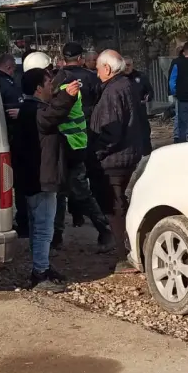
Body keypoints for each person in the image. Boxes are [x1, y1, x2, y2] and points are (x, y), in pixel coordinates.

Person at [14, 68, 79, 291]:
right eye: (49, 83)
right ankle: (40, 273)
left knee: (37, 226)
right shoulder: (35, 110)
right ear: (39, 88)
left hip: (35, 177)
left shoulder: (28, 109)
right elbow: (53, 115)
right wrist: (68, 96)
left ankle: (41, 266)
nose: (53, 87)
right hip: (41, 178)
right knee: (43, 228)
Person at [51, 41, 112, 250]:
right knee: (81, 189)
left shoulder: (55, 79)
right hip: (84, 138)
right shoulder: (91, 78)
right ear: (80, 58)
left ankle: (57, 236)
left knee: (59, 190)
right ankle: (103, 229)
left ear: (62, 58)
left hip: (61, 143)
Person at [90, 50, 144, 271]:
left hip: (115, 158)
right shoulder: (126, 85)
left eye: (98, 69)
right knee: (121, 204)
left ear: (108, 69)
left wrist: (98, 153)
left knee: (115, 207)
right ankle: (131, 249)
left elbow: (112, 129)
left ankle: (125, 256)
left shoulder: (114, 90)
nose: (96, 73)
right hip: (129, 153)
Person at [0, 52, 26, 236]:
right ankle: (23, 223)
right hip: (12, 141)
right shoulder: (9, 86)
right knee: (18, 184)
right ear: (9, 67)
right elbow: (16, 113)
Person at [123, 57, 154, 157]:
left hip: (140, 109)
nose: (126, 68)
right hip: (125, 111)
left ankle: (147, 153)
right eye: (124, 66)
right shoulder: (119, 78)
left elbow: (150, 91)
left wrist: (148, 97)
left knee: (144, 131)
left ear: (132, 65)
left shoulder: (140, 76)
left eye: (128, 65)